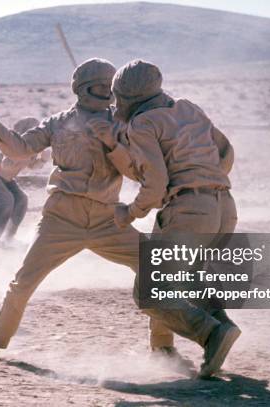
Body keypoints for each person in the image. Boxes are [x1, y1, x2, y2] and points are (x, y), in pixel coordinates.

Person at [0, 58, 186, 360]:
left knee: (156, 268)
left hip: (108, 219)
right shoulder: (57, 123)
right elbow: (18, 148)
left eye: (110, 87)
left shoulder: (122, 125)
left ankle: (163, 347)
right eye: (99, 86)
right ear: (82, 89)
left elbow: (138, 172)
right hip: (61, 217)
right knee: (24, 281)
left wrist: (112, 143)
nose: (107, 93)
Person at [108, 59, 241, 379]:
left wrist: (130, 212)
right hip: (224, 207)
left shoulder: (142, 125)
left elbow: (154, 186)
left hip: (188, 211)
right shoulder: (187, 108)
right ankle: (221, 327)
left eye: (117, 99)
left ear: (125, 97)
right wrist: (205, 180)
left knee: (150, 291)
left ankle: (211, 335)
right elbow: (227, 153)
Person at [0, 117, 49, 246]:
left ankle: (8, 237)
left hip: (4, 178)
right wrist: (9, 158)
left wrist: (43, 160)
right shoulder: (12, 144)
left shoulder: (33, 147)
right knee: (6, 201)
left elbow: (32, 166)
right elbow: (4, 162)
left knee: (22, 200)